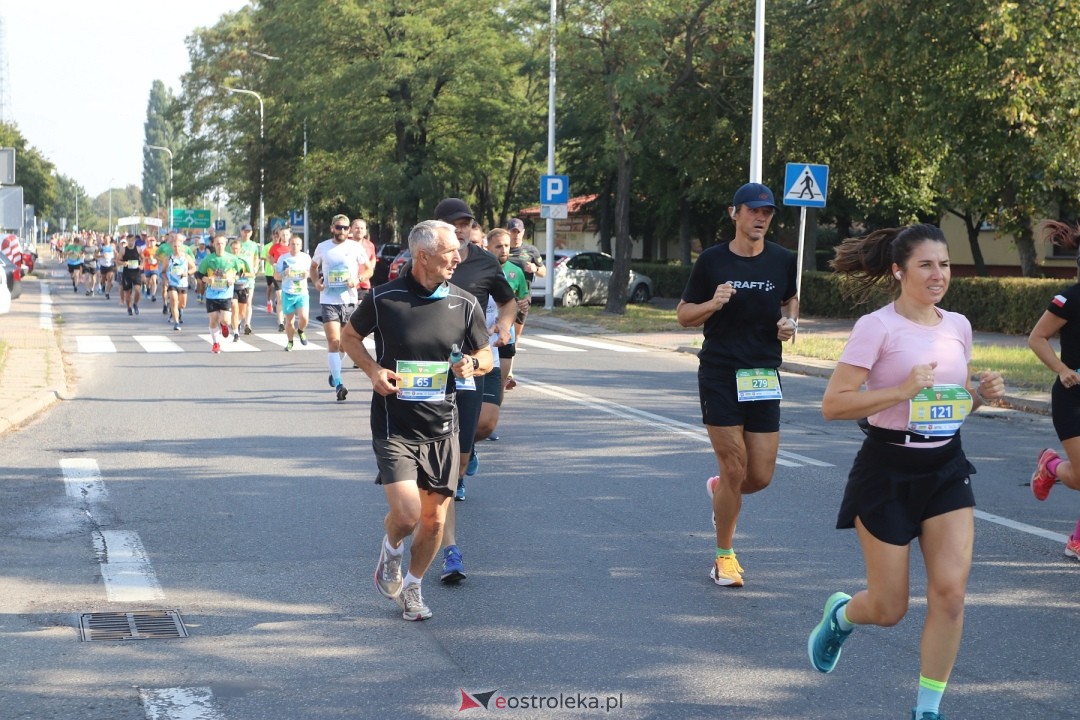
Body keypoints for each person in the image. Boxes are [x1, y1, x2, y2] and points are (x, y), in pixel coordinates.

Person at [807, 223, 1005, 720]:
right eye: (926, 265)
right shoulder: (877, 327)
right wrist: (899, 391)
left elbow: (952, 406)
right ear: (899, 271)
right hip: (887, 470)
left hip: (945, 466)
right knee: (889, 608)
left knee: (951, 595)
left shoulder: (958, 325)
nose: (939, 274)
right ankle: (841, 616)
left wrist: (980, 395)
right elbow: (833, 405)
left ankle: (927, 711)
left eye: (945, 264)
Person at [340, 219, 492, 621]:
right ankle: (391, 550)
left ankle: (413, 587)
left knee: (434, 519)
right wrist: (374, 371)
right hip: (395, 425)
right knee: (408, 515)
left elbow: (486, 355)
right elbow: (349, 338)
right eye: (450, 251)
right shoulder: (384, 298)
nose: (458, 258)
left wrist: (473, 364)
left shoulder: (464, 303)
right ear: (423, 256)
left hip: (442, 426)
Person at [677, 182, 798, 589]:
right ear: (735, 213)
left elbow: (790, 300)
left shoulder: (782, 259)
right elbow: (683, 315)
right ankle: (724, 557)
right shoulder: (712, 260)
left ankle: (721, 491)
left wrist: (790, 322)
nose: (761, 218)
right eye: (753, 210)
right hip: (720, 373)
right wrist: (713, 304)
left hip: (763, 374)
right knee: (733, 466)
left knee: (759, 476)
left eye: (767, 212)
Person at [429, 198, 516, 584]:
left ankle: (456, 476)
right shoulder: (422, 261)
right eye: (454, 223)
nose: (461, 229)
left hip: (471, 367)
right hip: (430, 371)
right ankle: (449, 548)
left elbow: (508, 301)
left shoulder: (484, 262)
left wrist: (505, 326)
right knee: (442, 466)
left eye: (466, 223)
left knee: (459, 461)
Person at [1026, 219, 1080, 560]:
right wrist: (1061, 369)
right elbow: (1037, 338)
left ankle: (1077, 540)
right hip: (1073, 396)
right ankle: (1050, 465)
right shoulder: (1069, 299)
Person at [310, 214, 369, 401]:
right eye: (338, 227)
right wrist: (316, 283)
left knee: (345, 344)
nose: (342, 230)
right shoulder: (323, 247)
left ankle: (334, 369)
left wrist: (357, 280)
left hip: (349, 301)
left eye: (345, 228)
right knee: (334, 341)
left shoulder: (355, 247)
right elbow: (313, 267)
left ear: (349, 230)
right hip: (329, 300)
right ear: (332, 228)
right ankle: (338, 384)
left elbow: (369, 268)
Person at [504, 218, 545, 390]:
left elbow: (543, 271)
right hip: (503, 297)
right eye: (513, 231)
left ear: (523, 232)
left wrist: (535, 269)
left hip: (523, 297)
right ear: (508, 232)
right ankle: (505, 372)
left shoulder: (530, 250)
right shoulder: (502, 248)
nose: (516, 235)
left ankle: (508, 371)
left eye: (518, 232)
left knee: (515, 335)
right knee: (504, 331)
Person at [198, 235, 248, 354]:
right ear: (214, 244)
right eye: (217, 243)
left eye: (222, 243)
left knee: (226, 320)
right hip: (212, 294)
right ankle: (216, 343)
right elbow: (199, 274)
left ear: (225, 245)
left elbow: (240, 272)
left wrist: (233, 279)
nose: (220, 246)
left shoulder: (232, 259)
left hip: (226, 294)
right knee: (213, 319)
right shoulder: (209, 259)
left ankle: (224, 324)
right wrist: (207, 279)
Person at [274, 233, 312, 351]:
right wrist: (284, 273)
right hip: (288, 292)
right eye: (293, 244)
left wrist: (307, 274)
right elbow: (276, 276)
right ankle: (290, 342)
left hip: (302, 293)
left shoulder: (306, 258)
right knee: (289, 321)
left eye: (297, 244)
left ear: (301, 246)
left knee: (304, 318)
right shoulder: (283, 258)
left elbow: (312, 273)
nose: (295, 246)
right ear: (289, 245)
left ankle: (300, 330)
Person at [163, 233, 197, 332]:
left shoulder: (186, 257)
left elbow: (194, 268)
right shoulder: (168, 258)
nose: (176, 248)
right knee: (174, 301)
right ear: (172, 247)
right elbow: (163, 271)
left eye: (178, 246)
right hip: (172, 284)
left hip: (183, 284)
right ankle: (176, 323)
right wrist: (166, 280)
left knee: (182, 305)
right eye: (174, 246)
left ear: (181, 246)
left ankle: (178, 310)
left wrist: (187, 273)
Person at [233, 225, 260, 335]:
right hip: (237, 278)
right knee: (237, 303)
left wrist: (256, 267)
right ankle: (238, 320)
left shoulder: (253, 245)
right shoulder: (236, 244)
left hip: (249, 277)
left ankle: (247, 324)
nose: (246, 233)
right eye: (245, 231)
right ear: (241, 232)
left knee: (249, 301)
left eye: (249, 231)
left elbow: (256, 258)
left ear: (251, 233)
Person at [262, 227, 290, 329]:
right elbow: (269, 256)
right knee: (279, 297)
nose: (284, 237)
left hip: (290, 277)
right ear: (280, 236)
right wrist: (273, 263)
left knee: (287, 298)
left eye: (286, 235)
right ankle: (281, 322)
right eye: (283, 235)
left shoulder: (292, 247)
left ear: (289, 236)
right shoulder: (275, 247)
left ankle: (287, 317)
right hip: (278, 275)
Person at [350, 217, 378, 303]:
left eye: (362, 228)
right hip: (347, 286)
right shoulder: (345, 244)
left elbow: (371, 267)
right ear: (351, 229)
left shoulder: (370, 245)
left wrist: (361, 278)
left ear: (365, 231)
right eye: (357, 228)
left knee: (360, 310)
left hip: (363, 286)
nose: (359, 230)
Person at [120, 237, 143, 315]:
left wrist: (142, 265)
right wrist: (123, 263)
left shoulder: (138, 249)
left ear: (134, 241)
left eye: (132, 240)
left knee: (138, 290)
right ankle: (129, 308)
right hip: (127, 273)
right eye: (129, 240)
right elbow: (117, 260)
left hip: (136, 272)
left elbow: (143, 259)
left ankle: (135, 304)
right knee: (128, 293)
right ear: (127, 241)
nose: (131, 242)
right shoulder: (123, 250)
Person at [98, 235, 117, 300]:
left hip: (110, 265)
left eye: (108, 239)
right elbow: (95, 255)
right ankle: (103, 285)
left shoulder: (112, 247)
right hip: (103, 265)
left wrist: (115, 259)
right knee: (103, 279)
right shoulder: (101, 247)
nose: (106, 240)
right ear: (103, 240)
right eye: (105, 239)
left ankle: (107, 293)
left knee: (109, 279)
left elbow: (116, 254)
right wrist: (101, 256)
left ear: (110, 240)